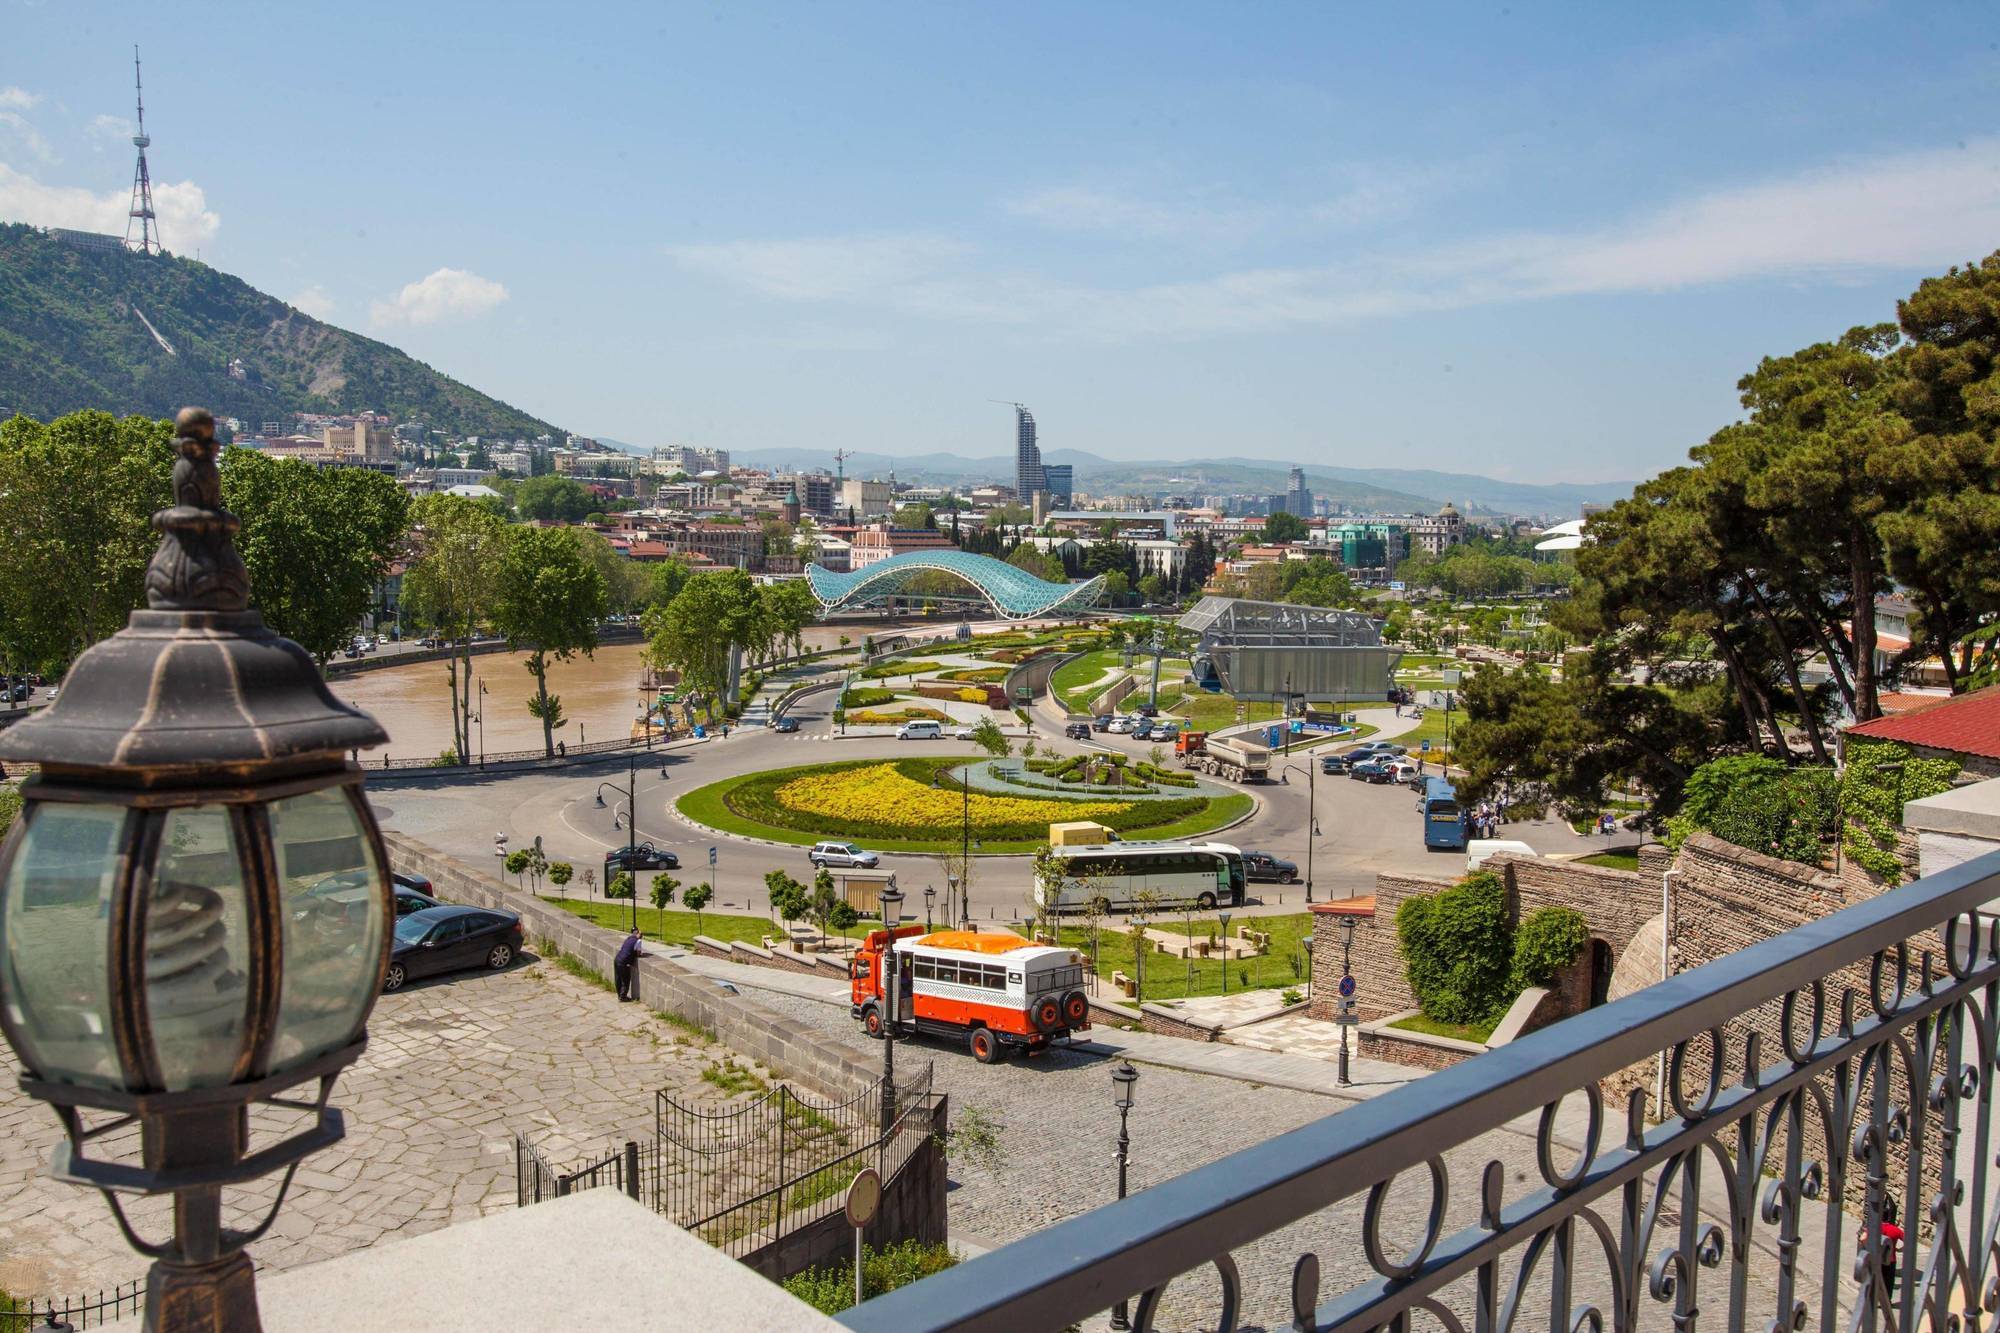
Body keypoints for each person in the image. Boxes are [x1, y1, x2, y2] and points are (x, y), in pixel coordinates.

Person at [614, 927, 643, 1002]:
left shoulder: (629, 938)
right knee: (626, 979)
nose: (642, 936)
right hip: (624, 962)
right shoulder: (638, 941)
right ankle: (623, 997)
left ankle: (619, 995)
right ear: (637, 934)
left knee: (618, 979)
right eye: (641, 934)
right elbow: (638, 953)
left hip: (617, 959)